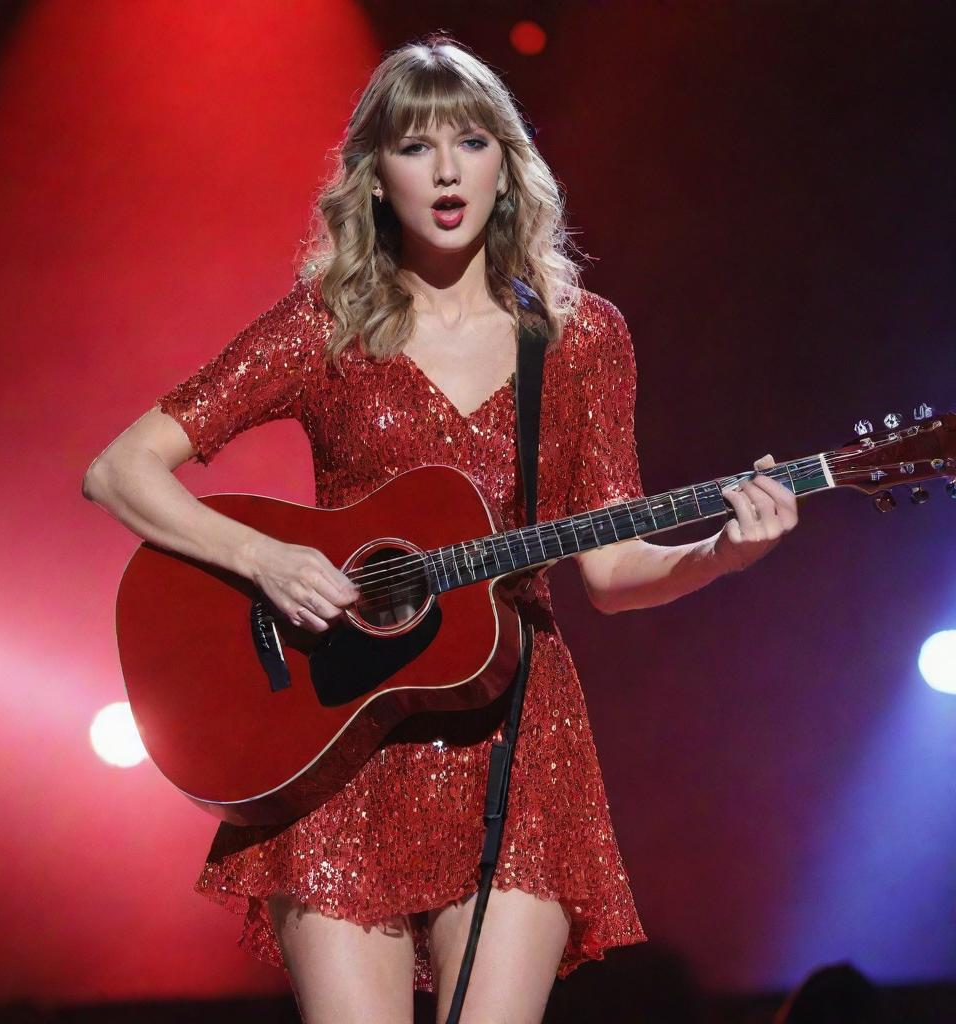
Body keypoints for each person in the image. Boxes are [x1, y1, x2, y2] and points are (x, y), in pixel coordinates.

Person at [82, 33, 798, 1024]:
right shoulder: (324, 322)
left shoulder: (580, 337)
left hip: (516, 734)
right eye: (416, 148)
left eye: (471, 141)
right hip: (335, 743)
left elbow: (610, 565)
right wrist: (265, 557)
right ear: (375, 177)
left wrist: (724, 552)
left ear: (507, 162)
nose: (447, 169)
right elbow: (119, 468)